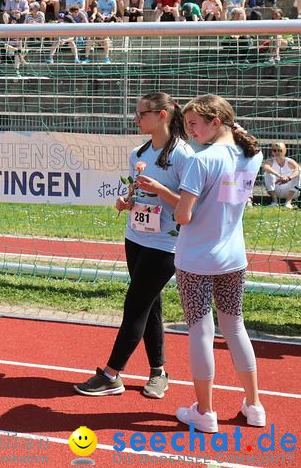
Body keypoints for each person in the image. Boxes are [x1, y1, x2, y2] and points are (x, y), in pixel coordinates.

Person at [74, 93, 192, 399]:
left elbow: (190, 206)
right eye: (137, 114)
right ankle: (159, 372)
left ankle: (111, 374)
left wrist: (162, 190)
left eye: (142, 114)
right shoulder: (138, 152)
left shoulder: (183, 155)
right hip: (136, 237)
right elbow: (137, 193)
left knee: (135, 305)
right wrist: (128, 201)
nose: (137, 119)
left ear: (163, 115)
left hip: (166, 243)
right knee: (150, 304)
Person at [172, 94, 265, 433]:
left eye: (193, 124)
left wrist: (168, 198)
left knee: (200, 330)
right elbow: (228, 202)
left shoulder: (203, 160)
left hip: (197, 258)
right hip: (233, 256)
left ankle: (206, 411)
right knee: (235, 327)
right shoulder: (251, 156)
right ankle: (254, 405)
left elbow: (184, 215)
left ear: (215, 122)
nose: (189, 131)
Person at [262, 142, 299, 209]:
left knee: (299, 175)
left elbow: (298, 169)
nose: (277, 152)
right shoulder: (270, 161)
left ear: (285, 151)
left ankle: (288, 203)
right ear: (272, 152)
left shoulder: (289, 161)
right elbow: (266, 167)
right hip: (276, 190)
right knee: (267, 173)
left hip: (291, 191)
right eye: (274, 150)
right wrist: (279, 176)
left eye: (280, 150)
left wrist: (288, 178)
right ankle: (274, 202)